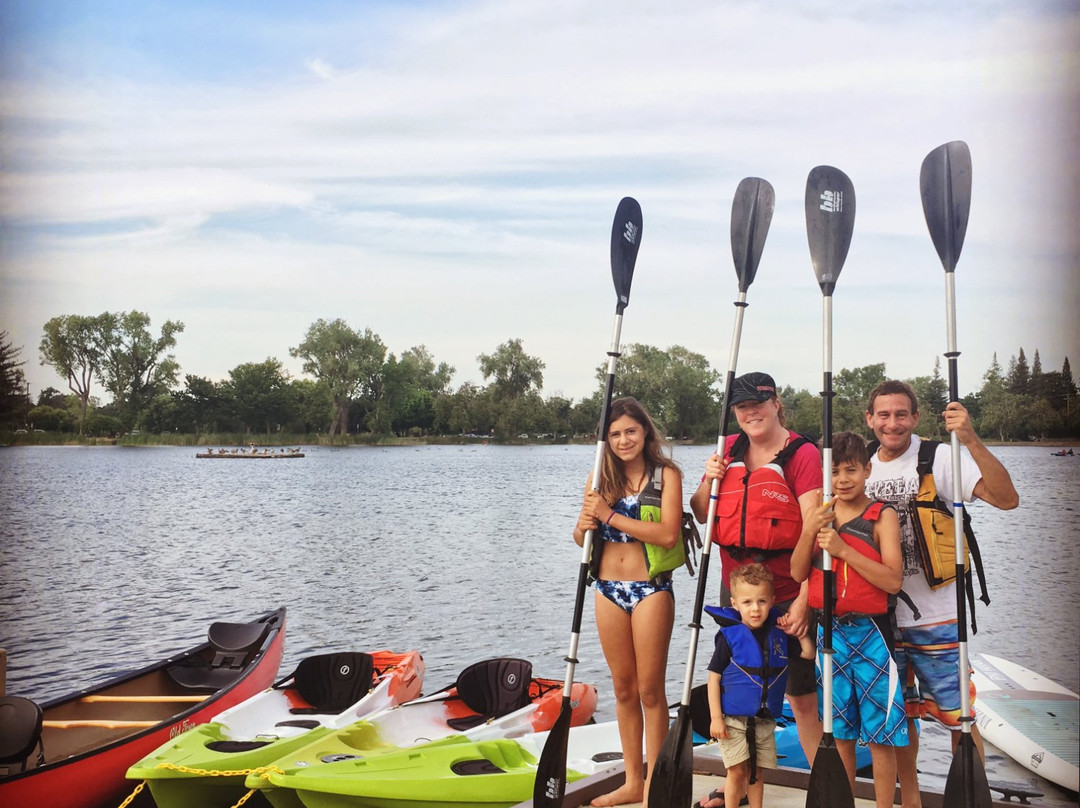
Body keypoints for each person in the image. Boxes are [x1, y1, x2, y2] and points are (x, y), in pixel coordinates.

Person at [863, 380, 1019, 808]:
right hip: (879, 621)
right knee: (899, 722)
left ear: (915, 418)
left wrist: (969, 438)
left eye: (901, 414)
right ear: (869, 419)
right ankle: (910, 802)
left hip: (938, 619)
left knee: (960, 722)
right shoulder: (859, 466)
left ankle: (969, 799)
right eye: (883, 414)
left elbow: (1007, 499)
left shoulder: (941, 456)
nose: (891, 423)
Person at [574, 397, 683, 807]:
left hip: (650, 589)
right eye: (615, 434)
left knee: (651, 689)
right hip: (606, 589)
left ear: (645, 433)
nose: (624, 440)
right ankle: (632, 780)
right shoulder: (599, 478)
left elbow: (668, 535)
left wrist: (608, 515)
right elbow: (580, 538)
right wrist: (585, 523)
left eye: (630, 431)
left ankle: (656, 782)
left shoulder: (666, 475)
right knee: (623, 688)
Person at [791, 431, 908, 808]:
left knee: (880, 735)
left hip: (872, 634)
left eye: (851, 471)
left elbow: (892, 580)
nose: (842, 480)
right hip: (831, 635)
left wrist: (842, 549)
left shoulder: (882, 516)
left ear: (867, 470)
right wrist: (809, 530)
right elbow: (796, 574)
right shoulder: (819, 515)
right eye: (835, 472)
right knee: (839, 731)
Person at [702, 563, 815, 808]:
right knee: (737, 773)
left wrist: (796, 631)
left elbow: (808, 653)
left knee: (756, 773)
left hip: (763, 719)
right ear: (734, 604)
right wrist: (715, 719)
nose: (755, 609)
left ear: (772, 601)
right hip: (732, 720)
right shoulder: (729, 638)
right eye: (747, 603)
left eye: (762, 602)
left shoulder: (778, 634)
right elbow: (714, 678)